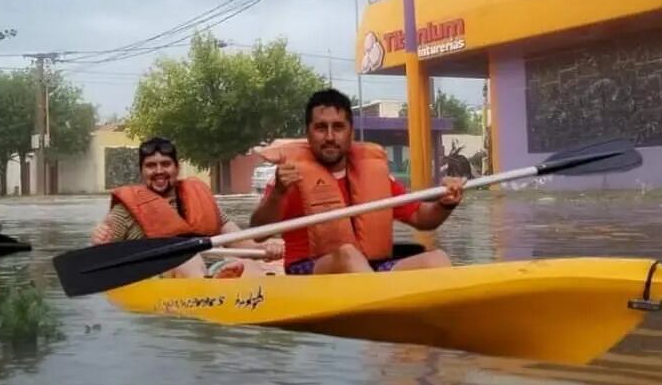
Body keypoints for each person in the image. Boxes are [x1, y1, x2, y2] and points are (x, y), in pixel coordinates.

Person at [250, 89, 465, 275]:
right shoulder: (289, 176)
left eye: (338, 127)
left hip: (369, 269)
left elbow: (422, 218)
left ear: (350, 132)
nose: (330, 137)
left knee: (437, 259)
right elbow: (258, 233)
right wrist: (278, 193)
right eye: (321, 128)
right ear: (308, 133)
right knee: (347, 255)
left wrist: (446, 203)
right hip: (310, 269)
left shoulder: (373, 172)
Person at [90, 136, 283, 278]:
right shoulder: (124, 212)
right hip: (167, 274)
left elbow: (239, 242)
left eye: (165, 164)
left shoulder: (200, 199)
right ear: (142, 171)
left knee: (248, 265)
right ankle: (211, 290)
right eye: (151, 166)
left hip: (214, 267)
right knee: (188, 260)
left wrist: (268, 248)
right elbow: (103, 257)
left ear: (176, 168)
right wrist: (99, 239)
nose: (159, 171)